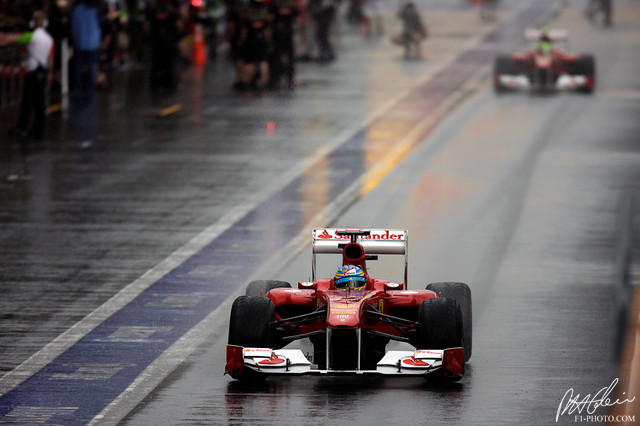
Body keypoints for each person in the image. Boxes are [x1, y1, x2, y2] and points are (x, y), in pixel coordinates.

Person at [12, 10, 54, 141]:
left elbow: (13, 41)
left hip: (32, 70)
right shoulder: (49, 39)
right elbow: (51, 58)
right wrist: (50, 73)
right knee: (40, 101)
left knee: (27, 100)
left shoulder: (30, 36)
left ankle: (23, 126)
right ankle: (38, 128)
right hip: (43, 70)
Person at [238, 0, 271, 90]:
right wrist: (268, 41)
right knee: (263, 61)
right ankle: (264, 81)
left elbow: (244, 31)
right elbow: (267, 30)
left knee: (250, 62)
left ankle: (247, 82)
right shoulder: (264, 14)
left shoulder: (248, 14)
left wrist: (241, 41)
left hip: (250, 40)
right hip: (261, 40)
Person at [269, 0, 301, 89]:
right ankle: (289, 78)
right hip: (288, 32)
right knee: (289, 55)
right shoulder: (291, 4)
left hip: (278, 32)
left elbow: (270, 17)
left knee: (277, 54)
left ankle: (276, 78)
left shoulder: (275, 3)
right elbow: (296, 17)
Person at [70, 0, 101, 92]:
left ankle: (77, 86)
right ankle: (90, 87)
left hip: (80, 42)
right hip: (92, 43)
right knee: (91, 65)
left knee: (78, 65)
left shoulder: (76, 10)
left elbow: (74, 26)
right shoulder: (93, 10)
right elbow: (97, 25)